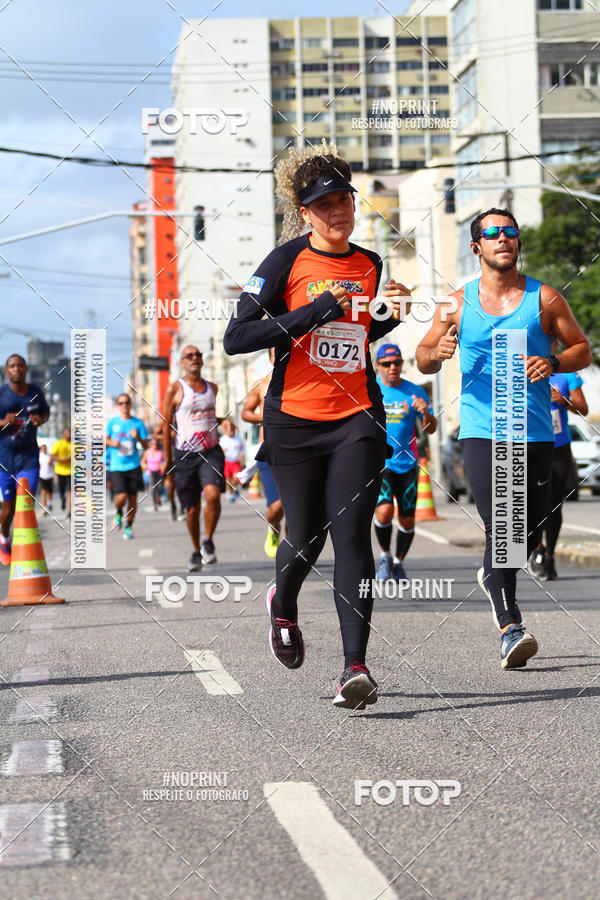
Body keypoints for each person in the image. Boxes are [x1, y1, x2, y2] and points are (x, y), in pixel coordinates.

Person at [223, 143, 410, 709]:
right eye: (322, 204)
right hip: (294, 419)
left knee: (350, 534)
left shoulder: (371, 264)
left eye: (343, 201)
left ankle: (355, 666)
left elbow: (356, 340)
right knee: (305, 536)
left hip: (357, 416)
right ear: (304, 212)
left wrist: (387, 319)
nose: (336, 212)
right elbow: (238, 338)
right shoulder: (284, 261)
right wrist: (310, 312)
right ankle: (282, 606)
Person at [416, 207, 591, 669]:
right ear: (476, 247)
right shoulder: (456, 303)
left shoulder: (546, 299)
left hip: (534, 433)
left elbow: (582, 349)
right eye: (492, 233)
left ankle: (493, 573)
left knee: (526, 530)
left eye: (509, 232)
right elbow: (422, 358)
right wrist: (438, 350)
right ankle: (511, 627)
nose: (503, 239)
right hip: (482, 429)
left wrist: (553, 363)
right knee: (505, 527)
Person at [162, 346, 231, 572]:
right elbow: (166, 426)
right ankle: (195, 550)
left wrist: (223, 421)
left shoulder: (212, 388)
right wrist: (167, 459)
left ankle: (208, 540)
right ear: (181, 362)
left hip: (210, 451)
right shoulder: (174, 389)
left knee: (212, 495)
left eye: (198, 355)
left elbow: (209, 417)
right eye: (189, 356)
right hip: (185, 455)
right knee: (191, 508)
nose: (195, 359)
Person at [373, 343, 437, 582]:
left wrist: (426, 414)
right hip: (381, 463)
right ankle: (384, 556)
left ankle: (398, 562)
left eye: (397, 363)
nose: (393, 368)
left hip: (408, 464)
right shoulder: (371, 390)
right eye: (387, 364)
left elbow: (430, 429)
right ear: (378, 366)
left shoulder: (415, 392)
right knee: (385, 510)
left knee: (407, 519)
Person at [528, 351, 588, 581]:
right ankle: (537, 547)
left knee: (554, 504)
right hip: (531, 444)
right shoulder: (523, 368)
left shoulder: (567, 374)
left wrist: (564, 401)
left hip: (559, 446)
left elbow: (583, 408)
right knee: (533, 501)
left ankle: (549, 555)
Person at [0, 354, 50, 565]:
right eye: (12, 366)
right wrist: (3, 421)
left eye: (20, 365)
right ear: (6, 371)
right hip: (4, 460)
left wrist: (41, 419)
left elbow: (46, 413)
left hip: (29, 457)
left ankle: (24, 546)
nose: (17, 368)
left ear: (26, 369)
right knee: (8, 509)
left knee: (26, 500)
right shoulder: (1, 395)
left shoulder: (35, 392)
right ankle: (4, 538)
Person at [241, 354, 286, 559]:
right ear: (270, 359)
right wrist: (267, 415)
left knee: (296, 510)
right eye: (277, 352)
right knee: (275, 508)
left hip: (296, 450)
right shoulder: (260, 385)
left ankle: (292, 555)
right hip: (268, 450)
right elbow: (246, 413)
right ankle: (274, 527)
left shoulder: (303, 383)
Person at [105, 394, 149, 540]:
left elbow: (146, 445)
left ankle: (129, 526)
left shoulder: (138, 423)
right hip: (117, 466)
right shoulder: (112, 423)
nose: (124, 405)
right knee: (121, 496)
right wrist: (113, 443)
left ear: (130, 404)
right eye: (121, 403)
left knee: (132, 499)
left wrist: (137, 437)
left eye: (127, 403)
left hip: (134, 465)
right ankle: (118, 512)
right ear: (118, 405)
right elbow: (104, 440)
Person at [219, 419, 245, 503]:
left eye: (232, 430)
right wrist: (222, 451)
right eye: (229, 431)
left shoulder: (238, 438)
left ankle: (231, 491)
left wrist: (241, 454)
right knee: (228, 479)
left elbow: (242, 448)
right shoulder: (223, 439)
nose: (231, 432)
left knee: (237, 478)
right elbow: (219, 451)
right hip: (227, 462)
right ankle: (229, 493)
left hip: (236, 462)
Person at [51, 427, 72, 518]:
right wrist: (60, 459)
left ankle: (70, 511)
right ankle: (62, 499)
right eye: (67, 434)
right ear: (63, 435)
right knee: (62, 491)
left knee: (71, 491)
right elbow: (52, 457)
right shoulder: (58, 443)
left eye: (70, 434)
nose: (69, 436)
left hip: (72, 471)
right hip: (60, 471)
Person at [141, 438, 165, 511]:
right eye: (152, 444)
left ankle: (158, 497)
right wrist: (145, 466)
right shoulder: (147, 452)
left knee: (160, 487)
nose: (154, 445)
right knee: (153, 488)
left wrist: (162, 466)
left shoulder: (160, 452)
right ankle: (155, 503)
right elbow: (142, 461)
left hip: (159, 472)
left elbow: (165, 461)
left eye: (155, 444)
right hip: (150, 472)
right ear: (150, 445)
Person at [38, 443, 54, 515]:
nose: (44, 449)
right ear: (41, 449)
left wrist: (51, 462)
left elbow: (53, 465)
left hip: (50, 475)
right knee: (43, 492)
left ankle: (49, 503)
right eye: (43, 448)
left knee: (50, 492)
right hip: (42, 476)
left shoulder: (49, 456)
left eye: (45, 448)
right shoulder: (39, 457)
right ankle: (45, 508)